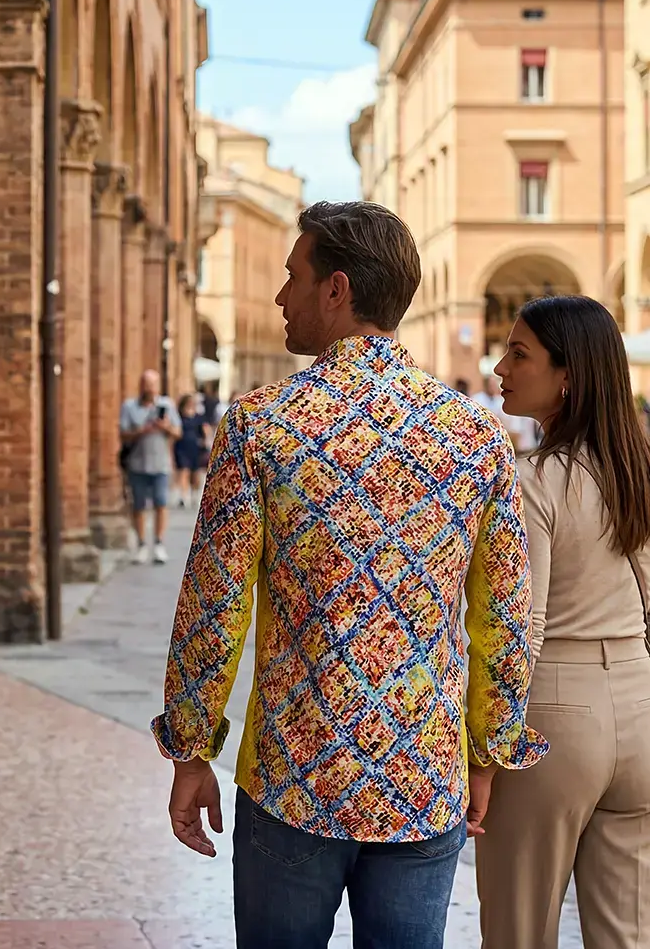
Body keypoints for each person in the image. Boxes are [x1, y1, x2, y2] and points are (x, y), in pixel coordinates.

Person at [152, 201, 545, 949]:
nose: (280, 296)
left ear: (336, 289)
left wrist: (191, 748)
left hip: (296, 774)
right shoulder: (477, 437)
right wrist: (488, 754)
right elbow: (503, 617)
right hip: (422, 773)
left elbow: (214, 604)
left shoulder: (261, 425)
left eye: (292, 276)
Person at [476, 296, 650, 947]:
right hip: (638, 704)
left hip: (554, 714)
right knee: (628, 935)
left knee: (518, 931)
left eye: (519, 354)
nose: (500, 368)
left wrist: (488, 755)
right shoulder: (636, 470)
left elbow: (523, 627)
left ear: (568, 375)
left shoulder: (535, 480)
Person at [119, 369, 182, 565]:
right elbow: (123, 434)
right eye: (146, 384)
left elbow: (178, 432)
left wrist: (165, 427)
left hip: (161, 464)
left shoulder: (167, 405)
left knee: (161, 504)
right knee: (138, 505)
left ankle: (158, 544)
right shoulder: (129, 406)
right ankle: (141, 545)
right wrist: (142, 430)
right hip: (137, 464)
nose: (150, 389)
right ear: (141, 386)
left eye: (153, 385)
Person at [473, 372, 539, 455]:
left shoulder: (501, 400)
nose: (493, 387)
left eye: (494, 384)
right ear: (485, 385)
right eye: (491, 384)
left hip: (521, 441)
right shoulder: (478, 399)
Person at [173, 394, 207, 508]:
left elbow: (203, 430)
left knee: (195, 472)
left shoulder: (198, 416)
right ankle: (183, 496)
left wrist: (204, 441)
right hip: (182, 446)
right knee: (184, 470)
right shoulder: (179, 416)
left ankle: (194, 495)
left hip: (195, 447)